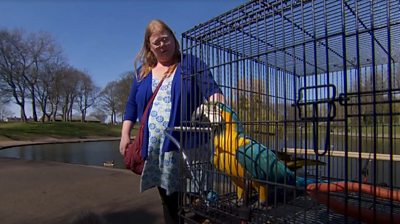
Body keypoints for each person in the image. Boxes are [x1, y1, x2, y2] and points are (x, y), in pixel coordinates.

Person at [119, 19, 224, 224]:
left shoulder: (190, 63)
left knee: (199, 203)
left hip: (192, 148)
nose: (162, 45)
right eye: (156, 42)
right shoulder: (142, 72)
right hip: (160, 150)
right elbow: (131, 106)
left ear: (174, 40)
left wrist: (218, 108)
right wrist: (125, 135)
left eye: (165, 39)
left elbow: (212, 91)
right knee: (170, 204)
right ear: (149, 46)